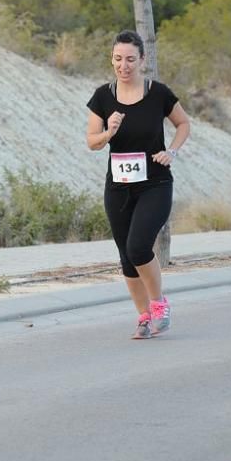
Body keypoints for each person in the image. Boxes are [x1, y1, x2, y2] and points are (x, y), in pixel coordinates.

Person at [86, 30, 191, 339]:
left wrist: (171, 151)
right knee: (125, 255)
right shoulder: (102, 97)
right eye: (118, 59)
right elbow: (92, 141)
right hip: (118, 186)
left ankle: (159, 304)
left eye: (130, 59)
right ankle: (143, 317)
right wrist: (109, 132)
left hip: (155, 183)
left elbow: (183, 123)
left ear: (142, 60)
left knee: (138, 246)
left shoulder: (158, 93)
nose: (124, 66)